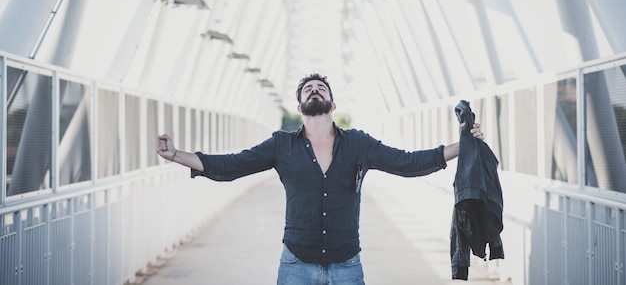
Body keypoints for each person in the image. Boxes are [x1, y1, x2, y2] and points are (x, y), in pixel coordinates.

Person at [156, 73, 484, 285]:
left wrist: (464, 145)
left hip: (347, 265)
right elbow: (231, 166)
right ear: (300, 105)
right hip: (296, 264)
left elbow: (408, 163)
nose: (315, 91)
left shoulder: (358, 143)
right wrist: (176, 154)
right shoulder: (281, 145)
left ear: (332, 103)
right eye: (308, 90)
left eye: (321, 88)